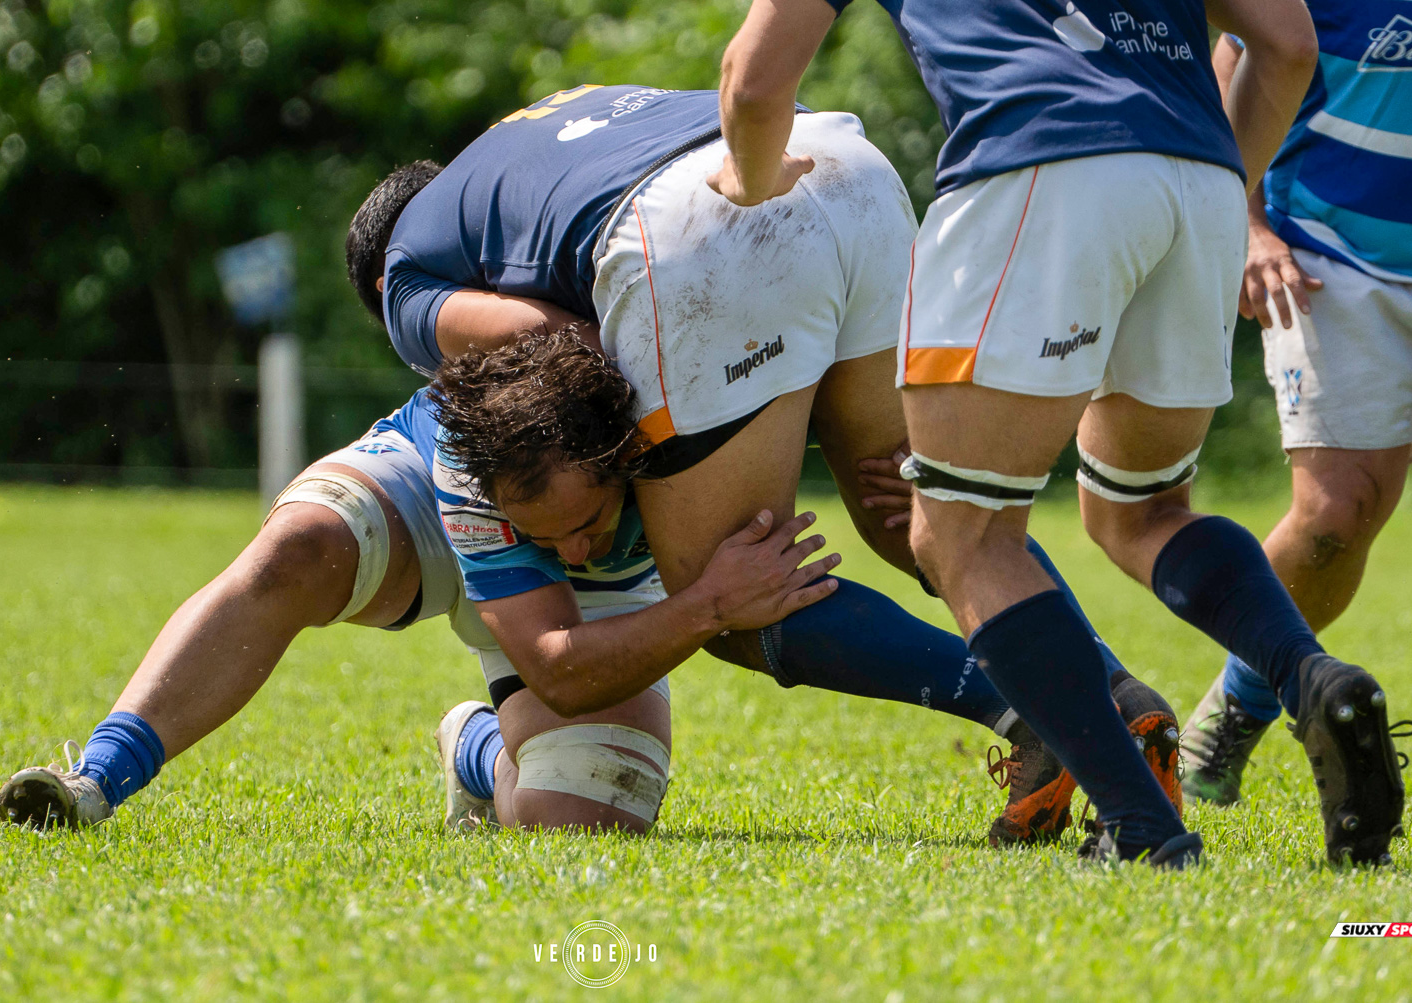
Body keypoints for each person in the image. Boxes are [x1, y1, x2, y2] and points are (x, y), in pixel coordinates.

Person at [714, 0, 1408, 865]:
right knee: (1140, 508)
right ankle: (1311, 678)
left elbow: (757, 74)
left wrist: (754, 179)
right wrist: (1212, 192)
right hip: (1196, 179)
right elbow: (1287, 41)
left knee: (960, 535)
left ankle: (1143, 827)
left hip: (1035, 170)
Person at [354, 89, 1180, 844]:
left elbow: (561, 348)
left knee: (737, 587)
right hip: (838, 165)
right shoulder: (520, 146)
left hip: (705, 227)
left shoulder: (408, 282)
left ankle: (1050, 714)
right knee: (923, 516)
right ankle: (1119, 695)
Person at [422, 328, 1181, 840]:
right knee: (569, 811)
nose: (573, 551)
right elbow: (560, 669)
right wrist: (710, 600)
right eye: (546, 537)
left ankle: (1055, 704)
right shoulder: (467, 465)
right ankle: (478, 746)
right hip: (461, 530)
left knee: (903, 508)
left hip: (752, 250)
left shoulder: (618, 370)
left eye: (584, 523)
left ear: (621, 452)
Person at [0, 388, 815, 834]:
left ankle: (476, 746)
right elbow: (402, 274)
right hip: (449, 476)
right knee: (298, 549)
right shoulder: (508, 239)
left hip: (580, 528)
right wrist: (709, 604)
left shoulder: (666, 319)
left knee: (575, 821)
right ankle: (93, 782)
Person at [1180, 0, 1412, 805]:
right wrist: (1245, 223)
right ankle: (1238, 703)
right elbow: (1238, 56)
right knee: (1333, 521)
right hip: (1332, 256)